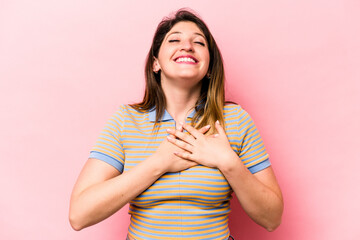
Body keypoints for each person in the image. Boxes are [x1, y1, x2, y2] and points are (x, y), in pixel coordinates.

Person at [69, 9, 283, 240]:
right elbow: (79, 215)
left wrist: (227, 161)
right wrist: (159, 163)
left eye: (198, 42)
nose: (187, 46)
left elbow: (272, 218)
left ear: (210, 67)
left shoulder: (235, 120)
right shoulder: (126, 120)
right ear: (155, 63)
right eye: (174, 39)